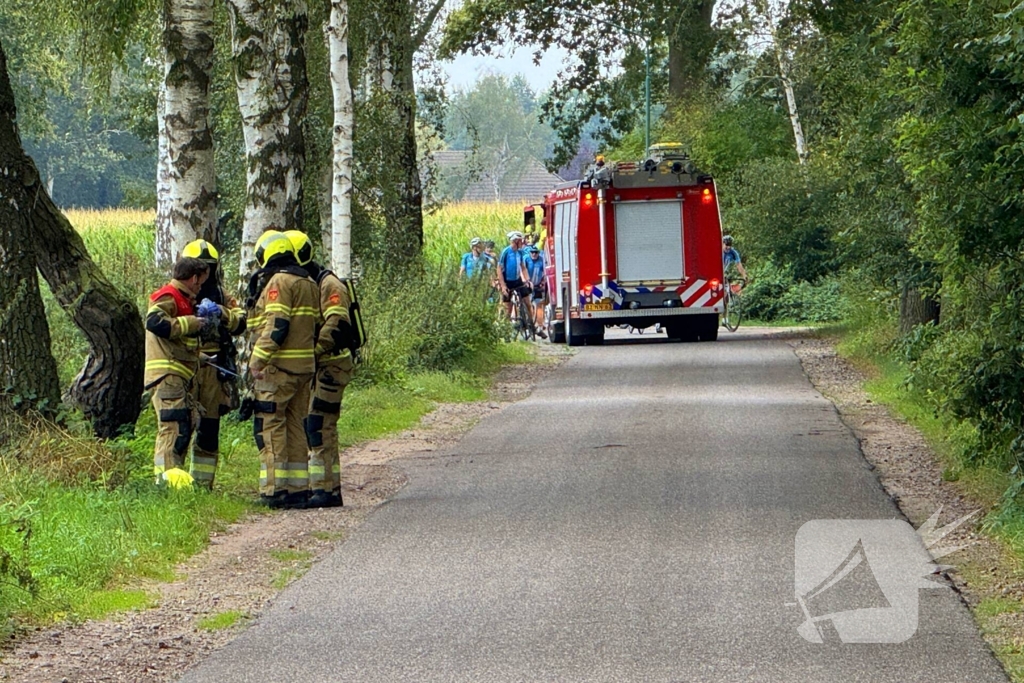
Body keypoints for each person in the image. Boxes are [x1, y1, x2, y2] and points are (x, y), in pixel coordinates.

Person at [246, 230, 320, 509]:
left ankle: (275, 490)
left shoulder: (279, 282)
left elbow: (277, 325)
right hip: (304, 369)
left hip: (278, 370)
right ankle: (298, 489)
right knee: (296, 427)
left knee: (270, 426)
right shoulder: (308, 282)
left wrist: (257, 361)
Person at [285, 230, 355, 509]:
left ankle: (325, 490)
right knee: (314, 424)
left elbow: (337, 323)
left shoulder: (329, 285)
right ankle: (326, 486)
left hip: (332, 364)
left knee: (319, 424)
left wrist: (311, 352)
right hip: (319, 365)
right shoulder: (308, 282)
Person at [180, 240, 247, 489]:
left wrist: (221, 312)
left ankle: (202, 485)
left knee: (209, 428)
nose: (201, 276)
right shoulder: (174, 295)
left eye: (207, 268)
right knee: (179, 427)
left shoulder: (221, 295)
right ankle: (174, 483)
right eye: (197, 270)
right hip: (185, 366)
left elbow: (241, 322)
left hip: (213, 369)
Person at [144, 257, 210, 484]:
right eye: (200, 283)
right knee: (173, 428)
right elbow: (155, 323)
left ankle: (174, 480)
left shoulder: (184, 299)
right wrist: (191, 323)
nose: (200, 288)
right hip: (167, 374)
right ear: (194, 278)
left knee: (184, 424)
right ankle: (165, 483)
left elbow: (176, 343)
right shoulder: (169, 296)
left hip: (178, 374)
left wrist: (198, 357)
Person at [497, 231, 533, 321]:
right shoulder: (506, 252)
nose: (523, 242)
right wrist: (503, 286)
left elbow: (523, 267)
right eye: (521, 241)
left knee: (528, 303)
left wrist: (528, 280)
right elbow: (499, 269)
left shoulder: (520, 252)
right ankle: (506, 330)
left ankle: (532, 325)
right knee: (507, 310)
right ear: (515, 241)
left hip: (517, 281)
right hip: (507, 282)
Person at [524, 245, 548, 339]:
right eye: (532, 252)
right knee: (527, 304)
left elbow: (545, 273)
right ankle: (524, 321)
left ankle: (539, 326)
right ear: (529, 253)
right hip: (527, 285)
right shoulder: (526, 259)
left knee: (539, 305)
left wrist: (543, 282)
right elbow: (522, 271)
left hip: (537, 285)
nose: (534, 254)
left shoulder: (541, 260)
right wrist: (526, 282)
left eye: (536, 252)